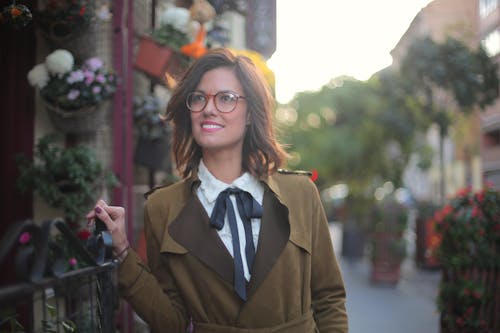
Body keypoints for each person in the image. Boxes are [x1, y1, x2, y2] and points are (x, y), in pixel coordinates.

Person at [87, 48, 348, 332]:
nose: (208, 108)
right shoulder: (163, 207)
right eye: (199, 98)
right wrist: (123, 253)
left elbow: (329, 298)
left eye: (226, 98)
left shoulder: (300, 193)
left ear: (250, 114)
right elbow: (171, 321)